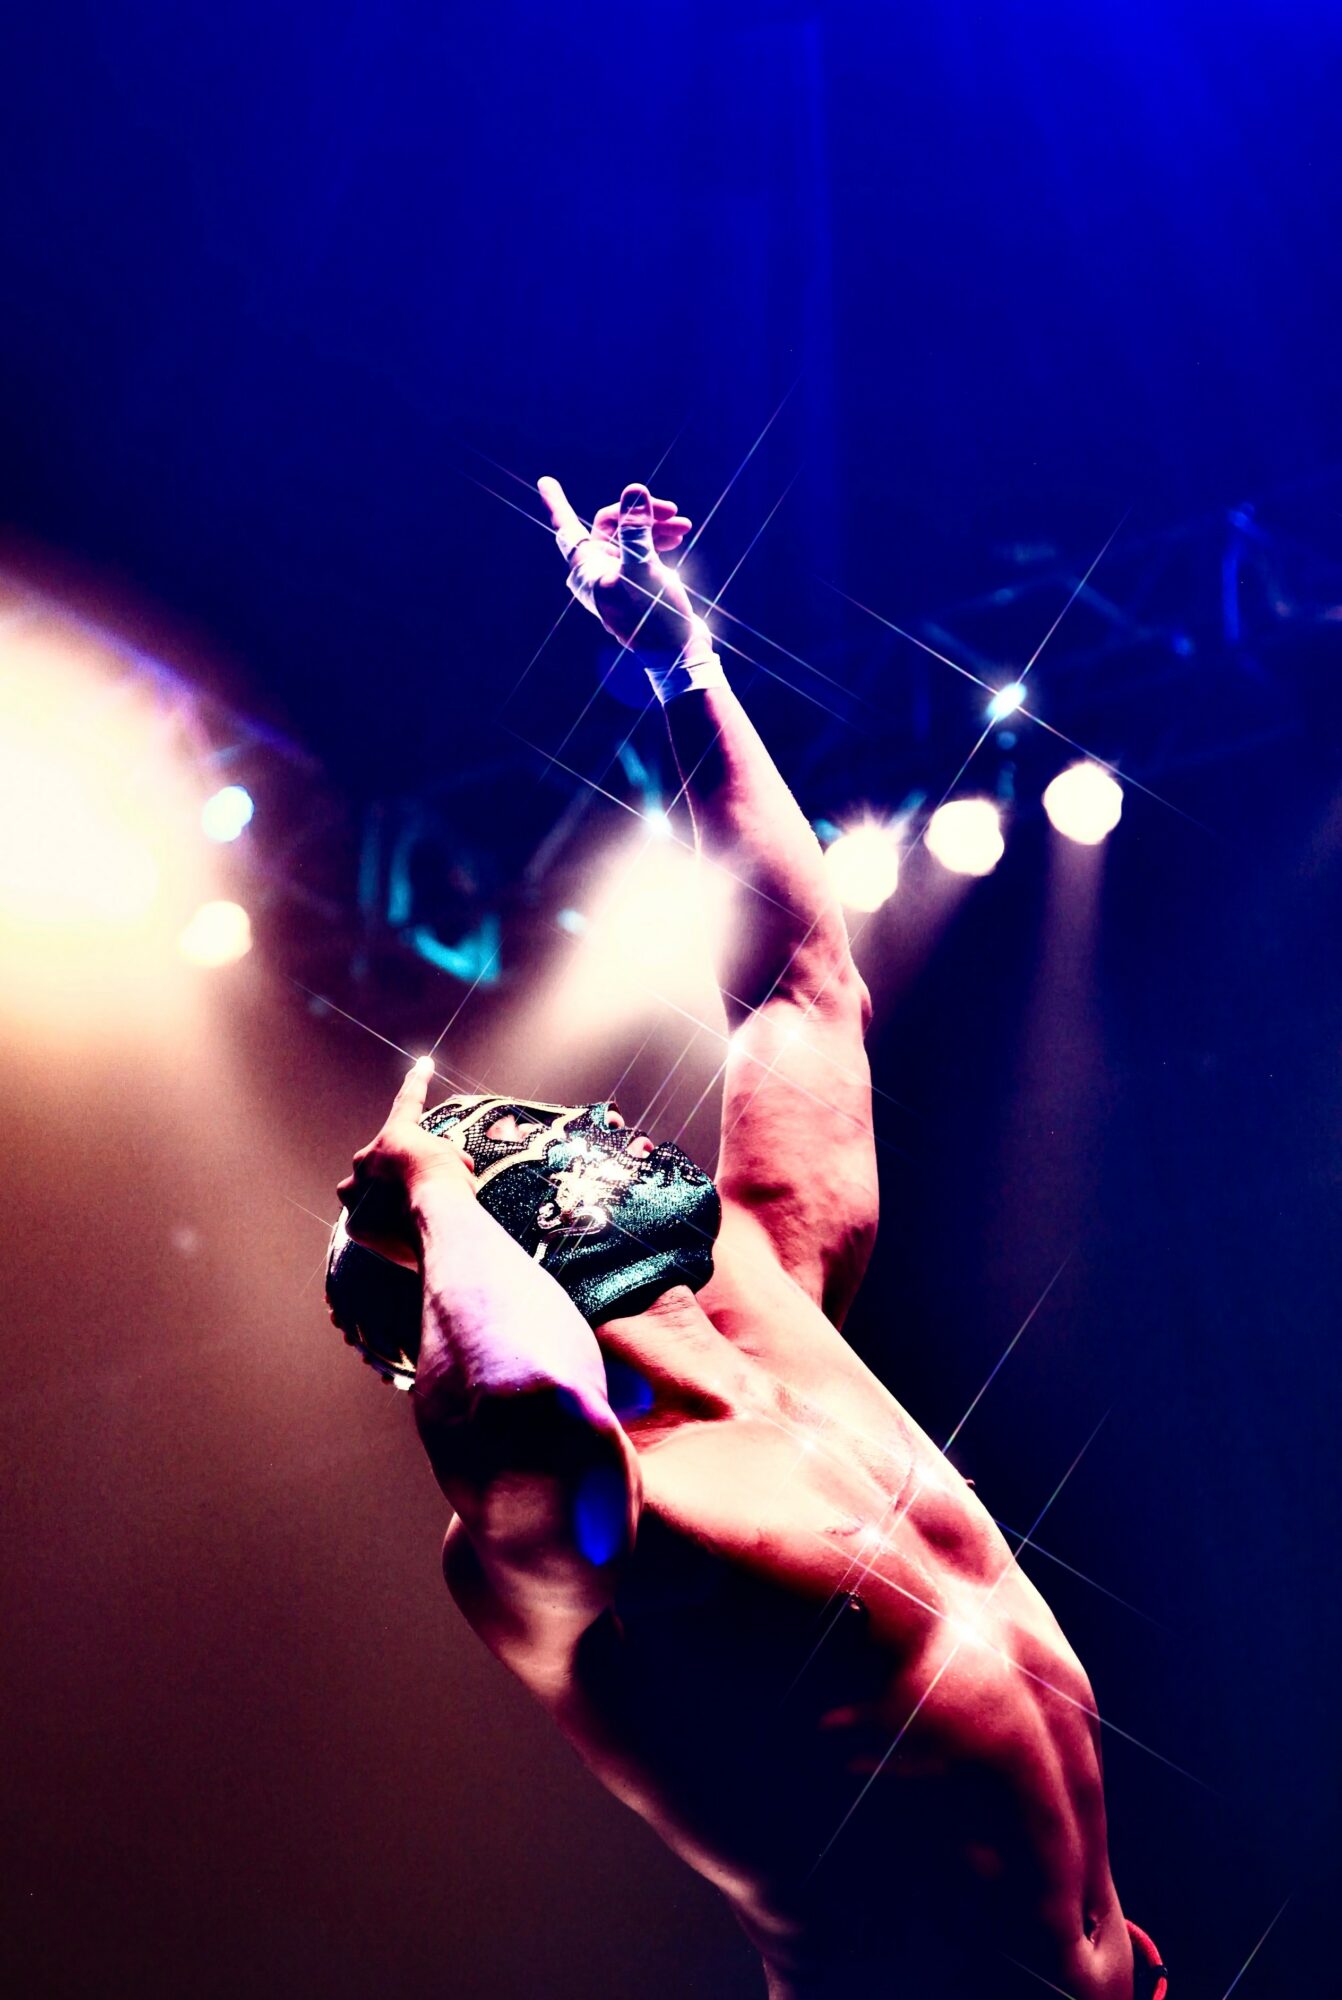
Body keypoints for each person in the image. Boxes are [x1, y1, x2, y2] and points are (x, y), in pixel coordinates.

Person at [327, 480, 1169, 1999]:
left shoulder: (771, 1286)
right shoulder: (579, 1534)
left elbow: (801, 982)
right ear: (523, 1245)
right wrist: (434, 1197)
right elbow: (523, 1418)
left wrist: (679, 666)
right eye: (543, 1151)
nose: (603, 1132)